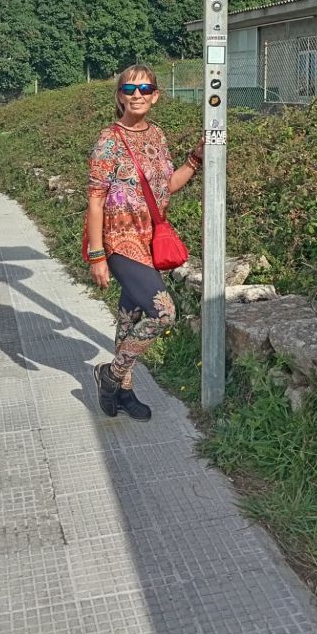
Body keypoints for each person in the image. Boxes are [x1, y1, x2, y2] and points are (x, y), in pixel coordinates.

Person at [86, 64, 203, 421]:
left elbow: (166, 186)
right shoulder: (109, 139)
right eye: (129, 89)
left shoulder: (158, 136)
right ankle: (110, 374)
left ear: (155, 96)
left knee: (129, 317)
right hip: (119, 241)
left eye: (144, 89)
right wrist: (97, 255)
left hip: (149, 239)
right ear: (119, 96)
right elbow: (95, 199)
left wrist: (195, 160)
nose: (137, 95)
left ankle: (123, 391)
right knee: (163, 312)